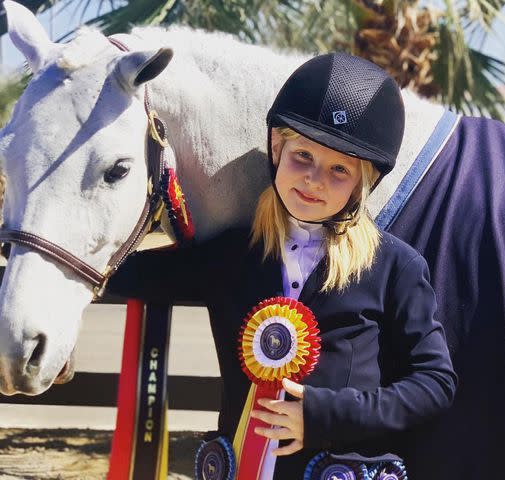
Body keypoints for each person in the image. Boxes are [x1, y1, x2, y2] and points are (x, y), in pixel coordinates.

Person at [108, 52, 456, 478]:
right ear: (277, 147)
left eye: (339, 169)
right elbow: (119, 271)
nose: (314, 180)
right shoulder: (230, 255)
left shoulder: (395, 267)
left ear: (365, 181)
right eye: (303, 157)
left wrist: (324, 414)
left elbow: (435, 383)